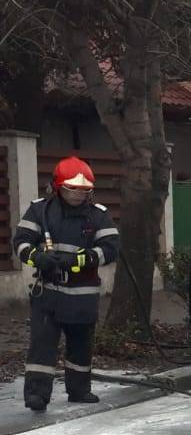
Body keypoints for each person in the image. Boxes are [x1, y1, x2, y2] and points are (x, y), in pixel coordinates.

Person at [13, 157, 121, 412]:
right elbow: (20, 242)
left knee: (81, 344)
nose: (79, 194)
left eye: (84, 190)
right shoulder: (39, 211)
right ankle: (37, 395)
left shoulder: (99, 216)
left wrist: (84, 259)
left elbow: (112, 249)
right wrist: (36, 257)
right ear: (58, 186)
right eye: (74, 189)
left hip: (82, 293)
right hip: (48, 292)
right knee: (42, 344)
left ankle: (79, 390)